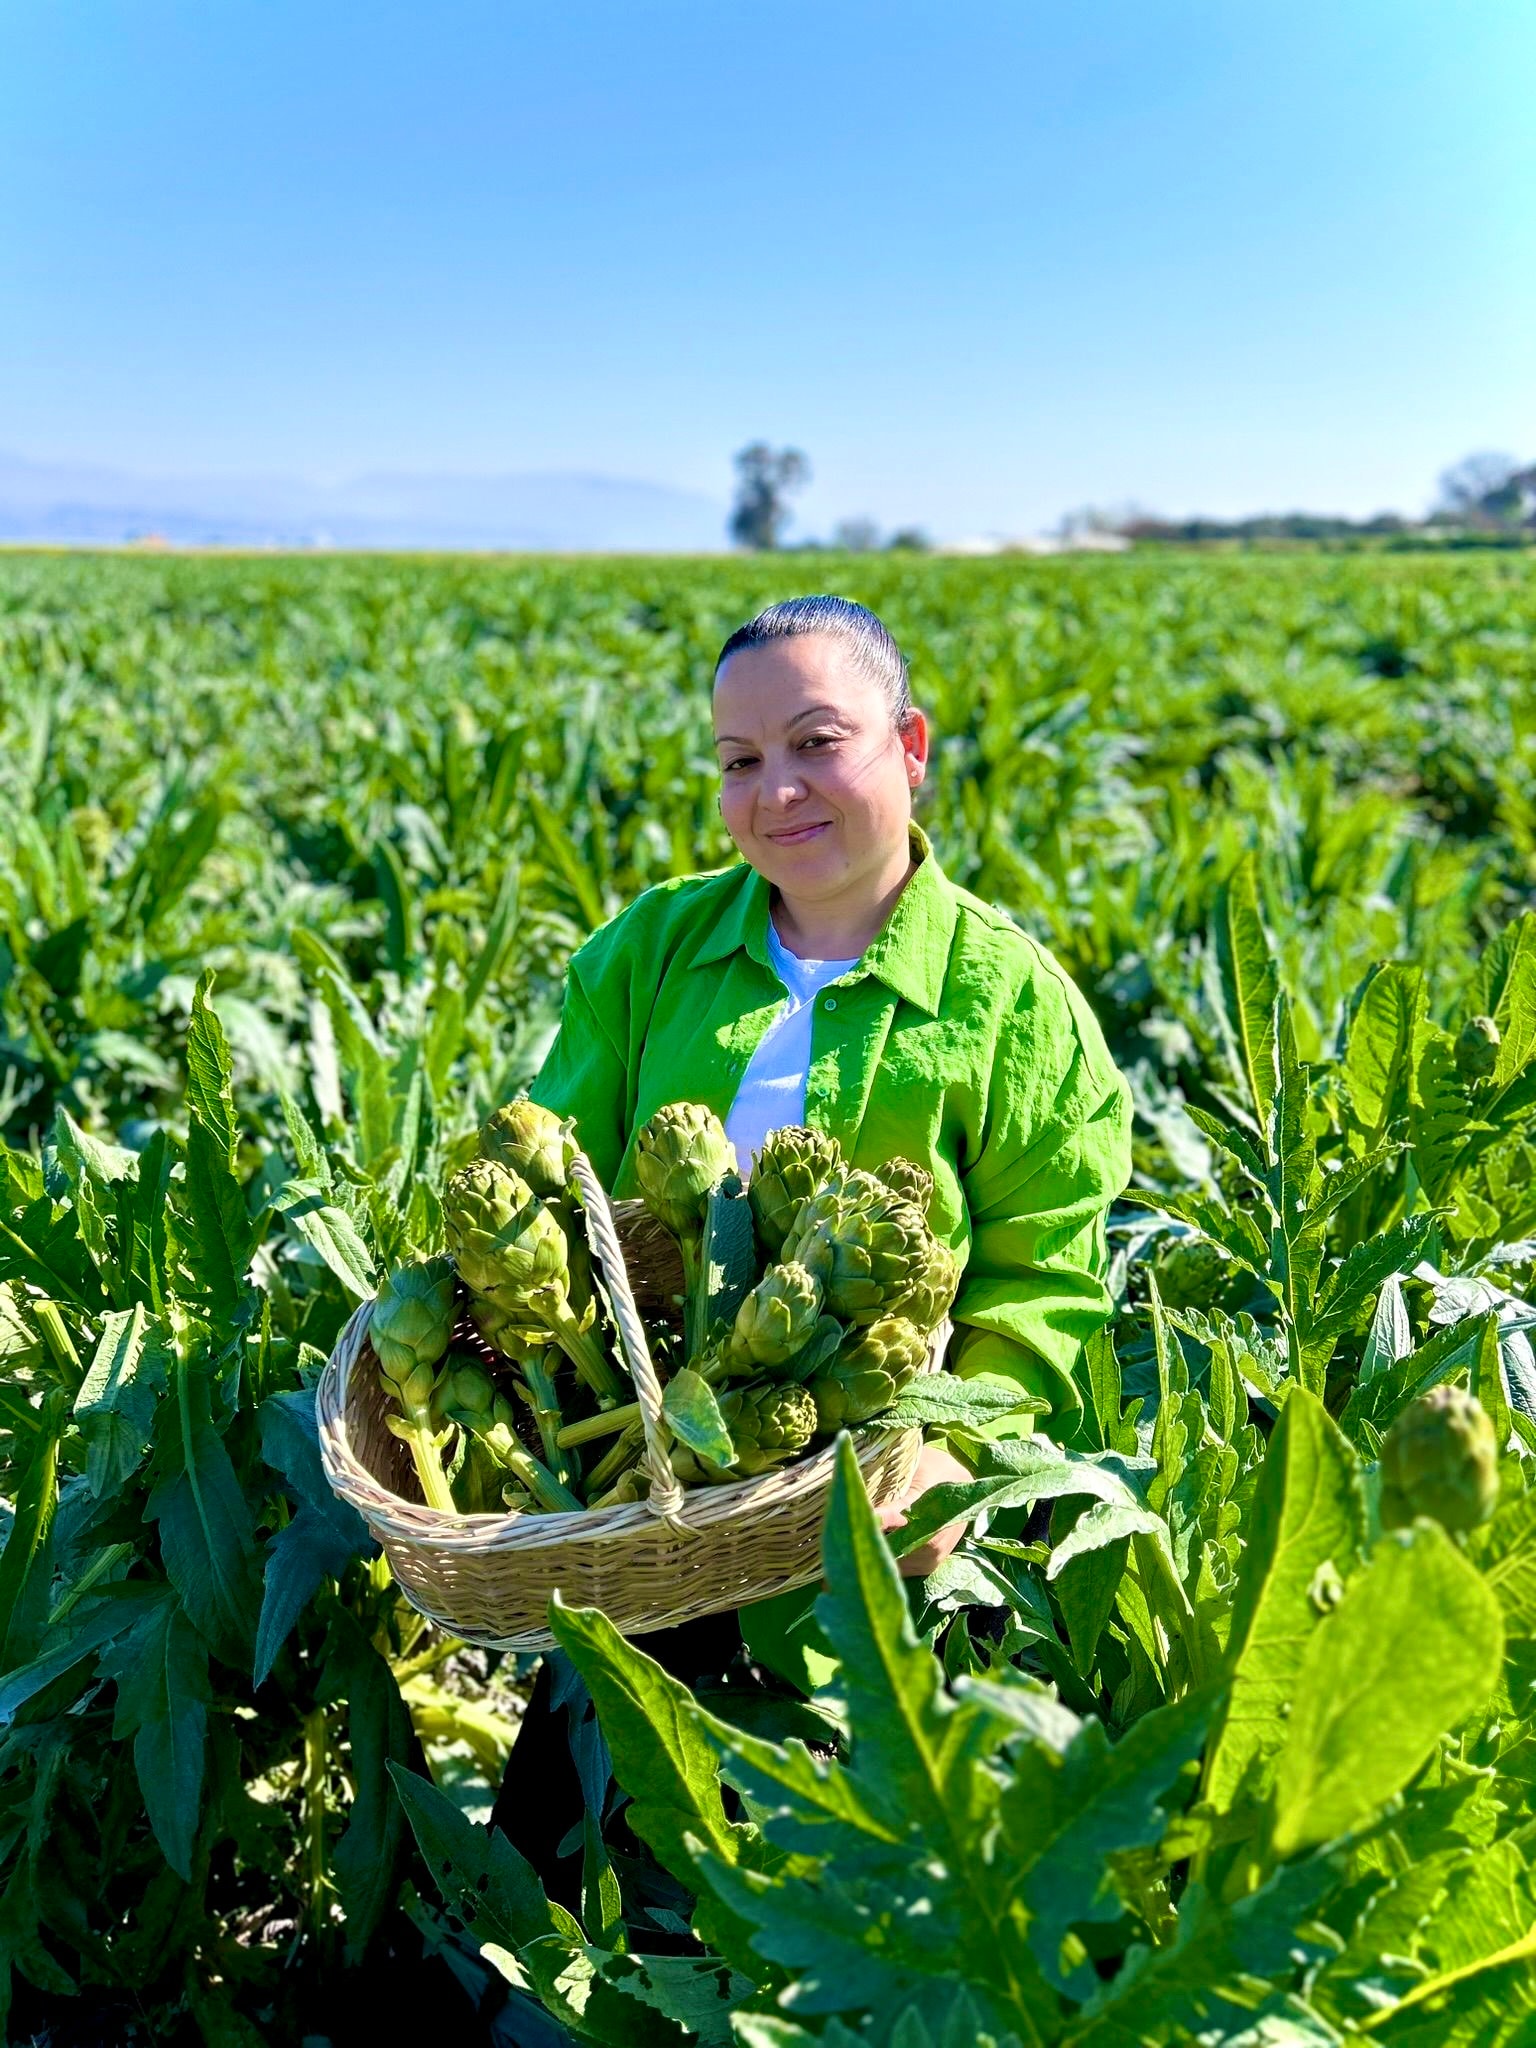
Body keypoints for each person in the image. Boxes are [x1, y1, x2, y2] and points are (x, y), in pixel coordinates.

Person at [488, 594, 1132, 1894]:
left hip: (880, 1542)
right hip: (646, 1510)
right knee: (574, 1901)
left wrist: (949, 1449)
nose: (776, 789)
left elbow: (1046, 1281)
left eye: (814, 741)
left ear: (909, 746)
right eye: (740, 761)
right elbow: (546, 1173)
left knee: (835, 1914)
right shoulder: (647, 955)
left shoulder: (1013, 1006)